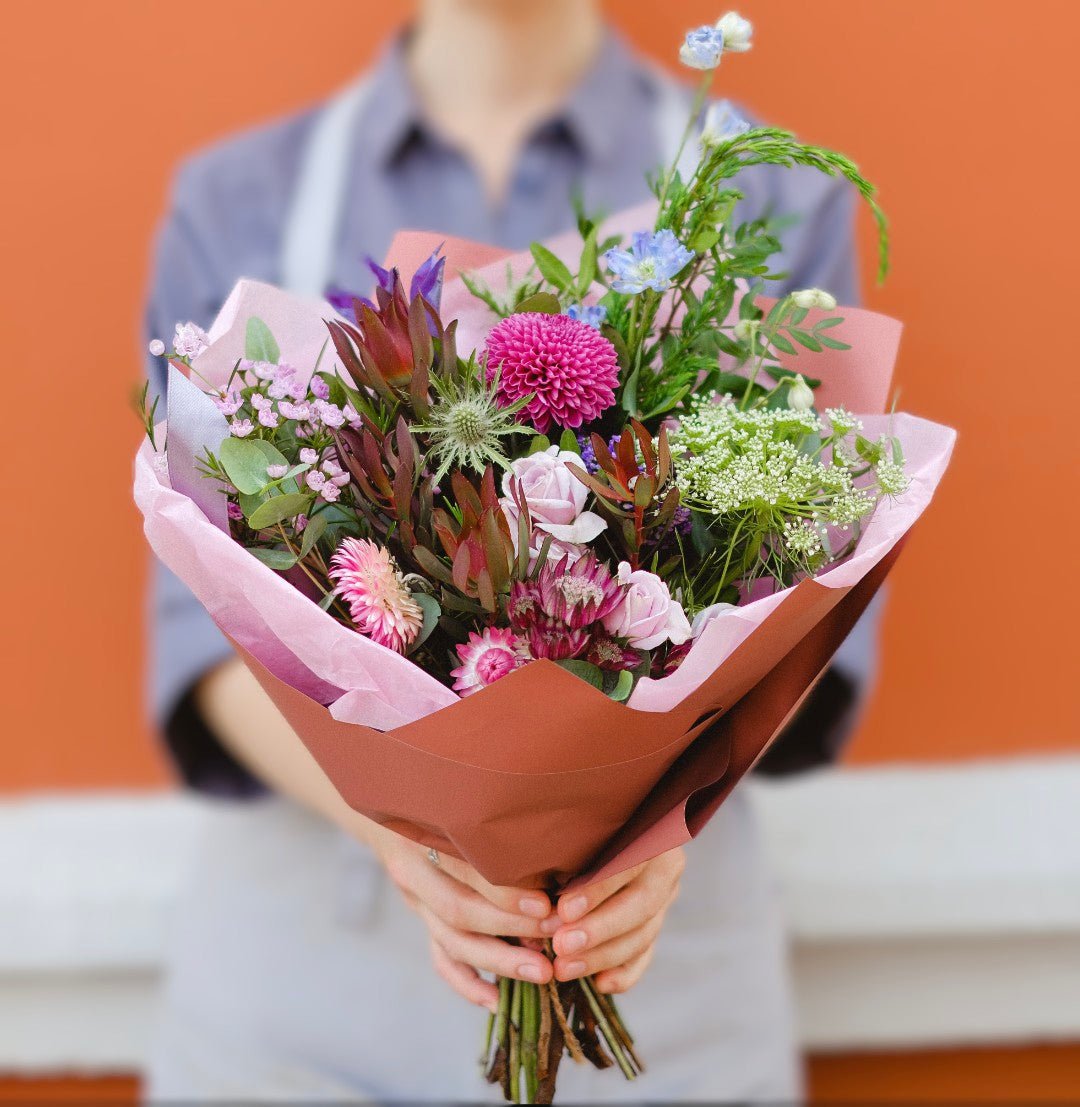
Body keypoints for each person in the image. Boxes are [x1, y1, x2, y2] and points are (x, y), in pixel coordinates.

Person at [144, 1, 876, 1099]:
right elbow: (199, 631)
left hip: (656, 974)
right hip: (306, 994)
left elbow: (809, 604)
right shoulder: (235, 200)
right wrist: (410, 833)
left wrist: (650, 833)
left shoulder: (778, 197)